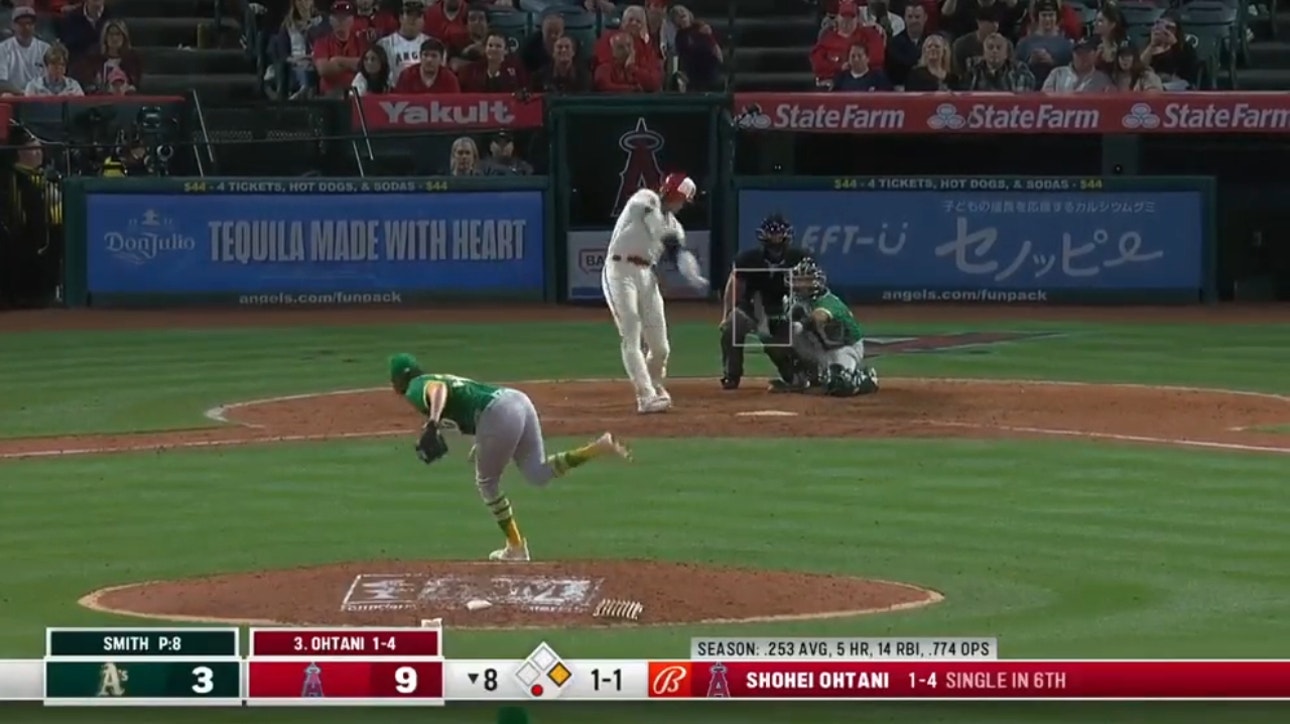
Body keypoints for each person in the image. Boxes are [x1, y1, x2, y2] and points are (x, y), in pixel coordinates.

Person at [389, 353, 630, 562]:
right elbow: (461, 412)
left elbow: (437, 391)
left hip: (497, 413)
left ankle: (516, 547)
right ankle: (597, 447)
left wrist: (431, 424)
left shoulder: (416, 387)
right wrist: (477, 444)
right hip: (518, 401)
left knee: (487, 484)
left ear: (398, 380)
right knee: (537, 473)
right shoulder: (441, 376)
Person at [602, 172, 707, 414]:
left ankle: (655, 386)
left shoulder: (675, 227)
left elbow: (676, 252)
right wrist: (676, 249)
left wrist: (693, 275)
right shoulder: (646, 198)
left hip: (646, 275)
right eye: (679, 198)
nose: (679, 203)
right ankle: (646, 396)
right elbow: (659, 231)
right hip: (620, 270)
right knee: (631, 334)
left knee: (660, 347)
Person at [719, 213, 813, 392]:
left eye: (779, 233)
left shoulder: (799, 258)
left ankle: (795, 374)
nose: (776, 238)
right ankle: (731, 375)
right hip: (751, 309)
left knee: (780, 344)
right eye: (772, 233)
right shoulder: (748, 259)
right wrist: (726, 315)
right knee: (732, 325)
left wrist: (802, 316)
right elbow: (734, 286)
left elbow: (808, 291)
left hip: (784, 311)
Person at [785, 259, 878, 397]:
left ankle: (866, 378)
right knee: (794, 330)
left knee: (840, 385)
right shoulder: (794, 301)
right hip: (822, 347)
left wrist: (805, 317)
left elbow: (821, 316)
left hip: (845, 347)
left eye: (806, 281)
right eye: (798, 281)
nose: (801, 285)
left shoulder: (829, 301)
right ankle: (805, 374)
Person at [0, 8, 51, 96]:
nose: (26, 27)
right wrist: (24, 93)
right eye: (21, 24)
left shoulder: (45, 48)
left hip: (40, 96)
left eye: (29, 23)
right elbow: (1, 82)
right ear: (13, 25)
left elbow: (52, 79)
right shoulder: (3, 48)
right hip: (14, 96)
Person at [1041, 38, 1111, 93]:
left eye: (1087, 52)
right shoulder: (1057, 74)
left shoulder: (1103, 79)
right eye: (1079, 53)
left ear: (1095, 54)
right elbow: (1045, 99)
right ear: (1073, 55)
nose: (1083, 56)